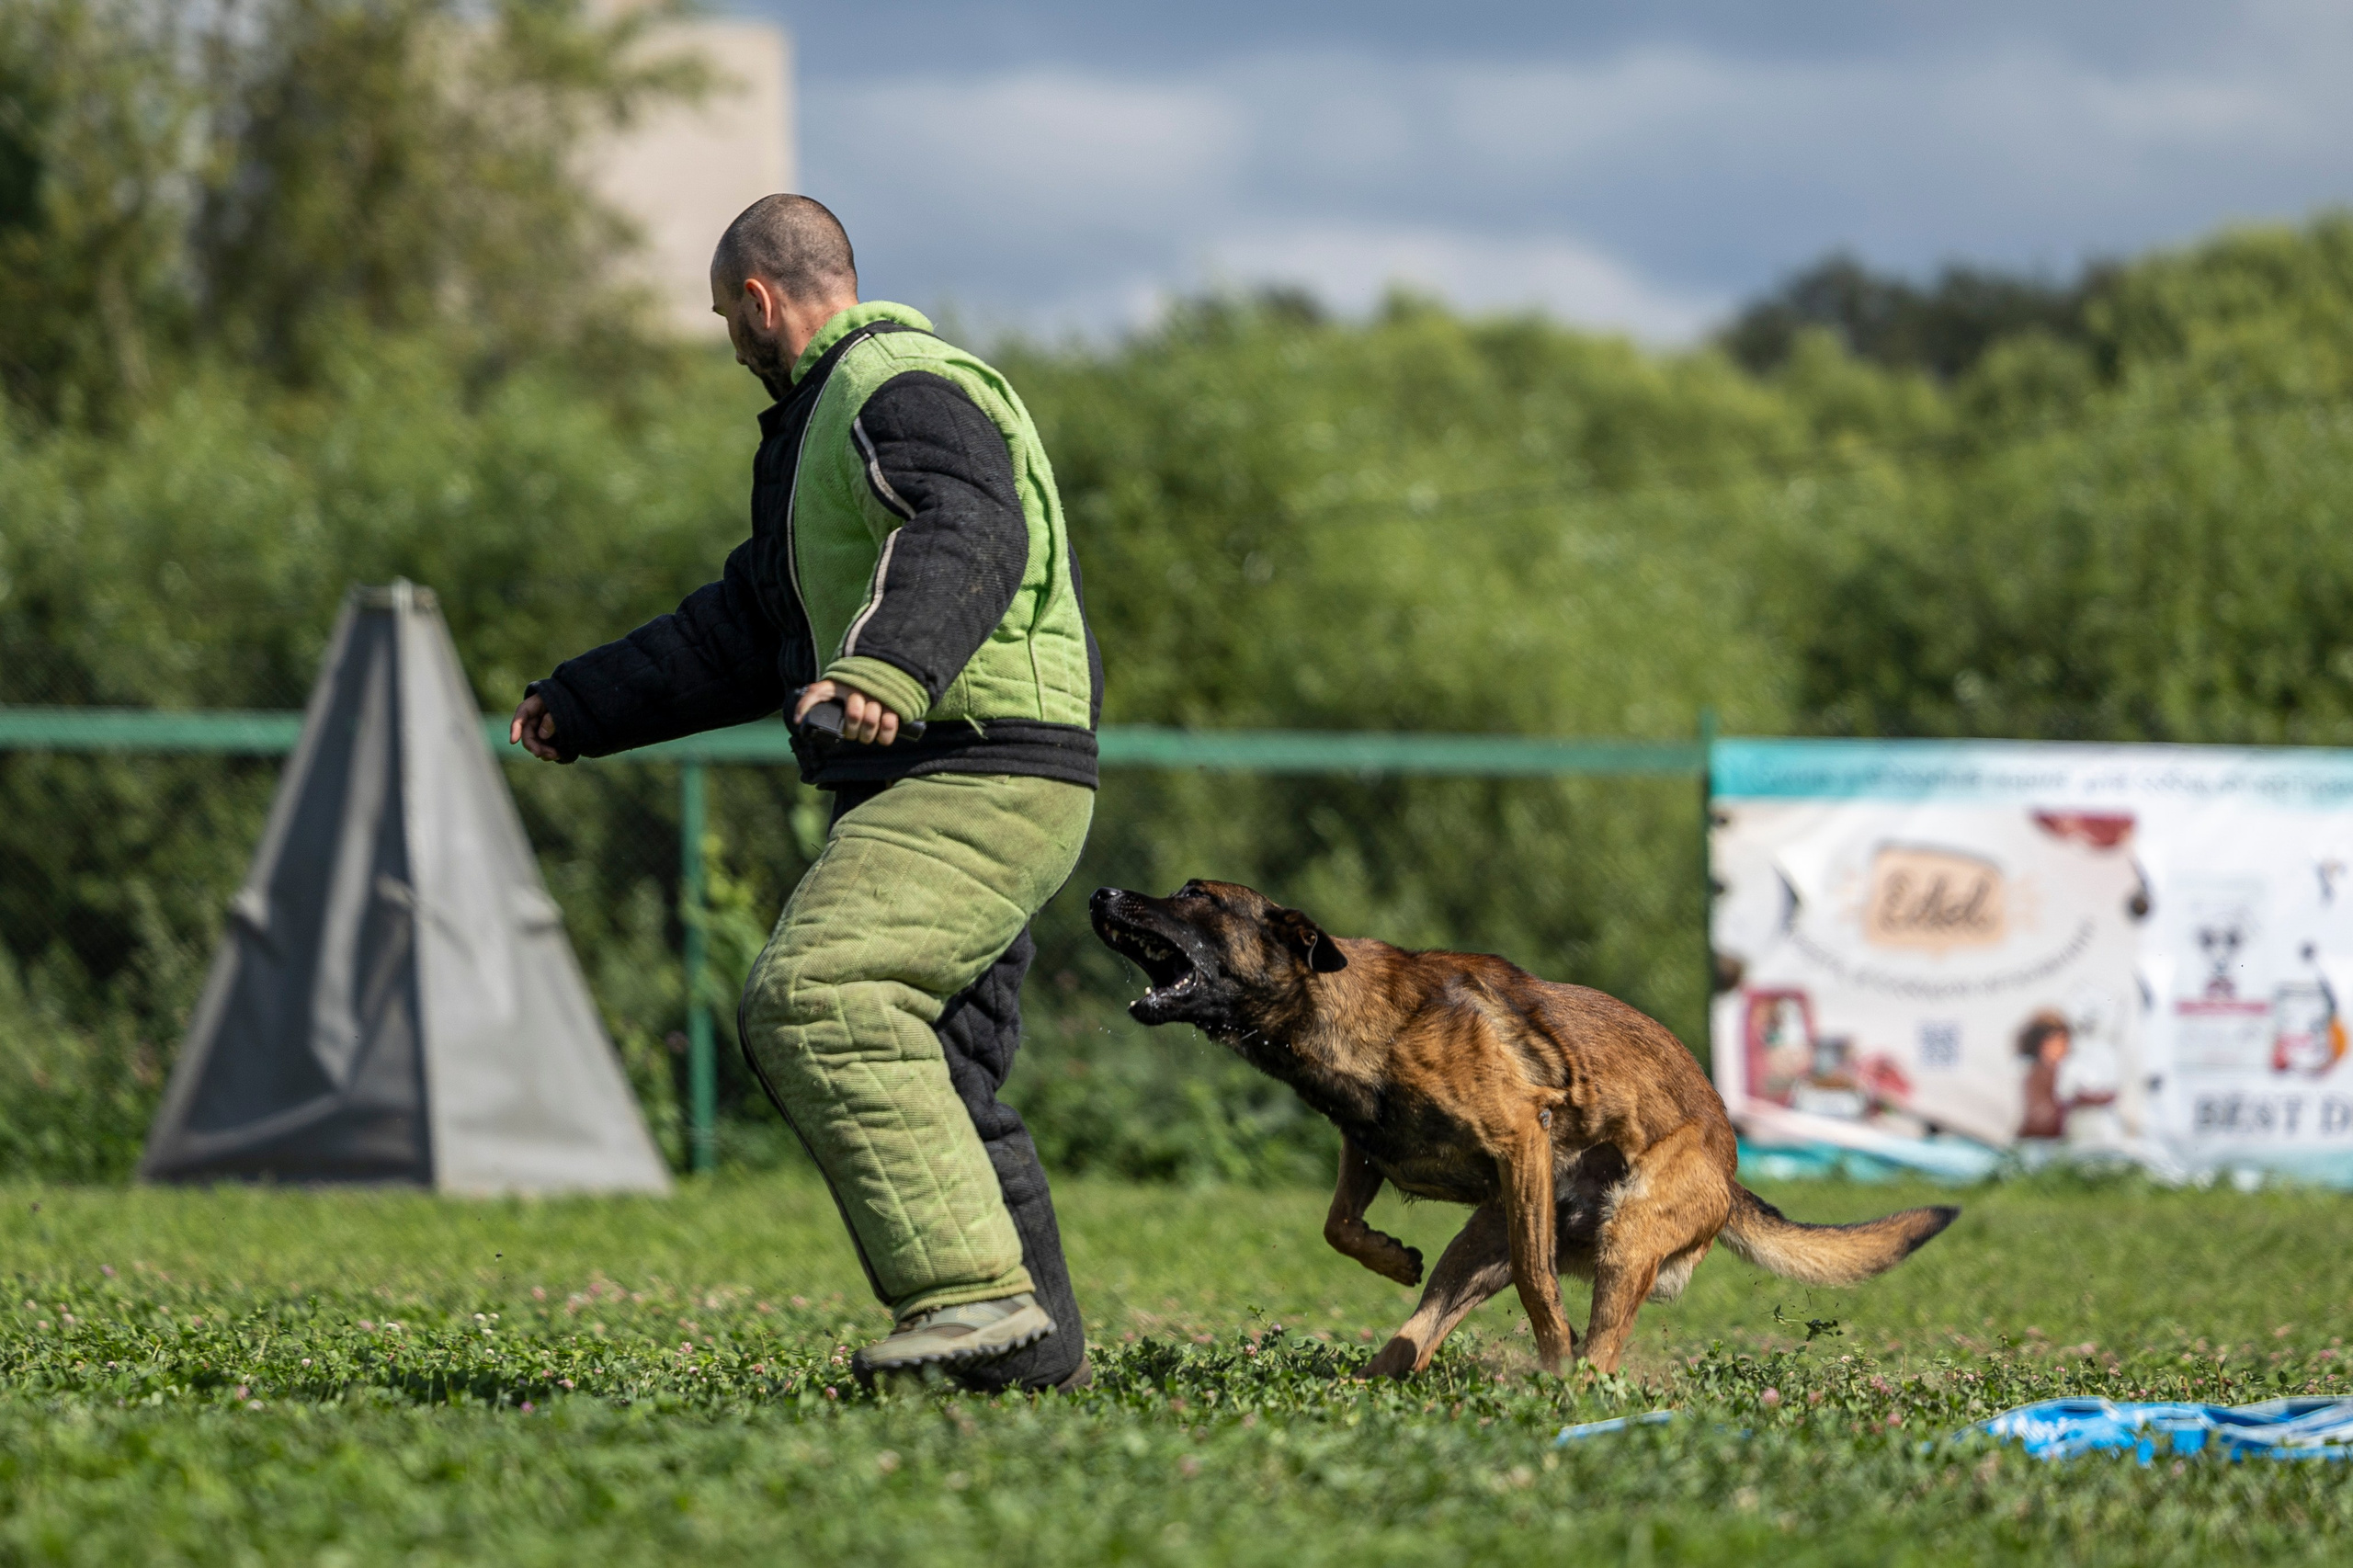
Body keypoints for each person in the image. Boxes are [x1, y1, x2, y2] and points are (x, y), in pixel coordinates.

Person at [508, 194, 1101, 1391]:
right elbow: (744, 628)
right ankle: (1025, 1365)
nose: (731, 343)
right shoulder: (821, 431)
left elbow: (969, 528)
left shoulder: (896, 383)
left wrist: (891, 664)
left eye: (727, 317)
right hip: (943, 767)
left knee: (818, 993)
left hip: (972, 762)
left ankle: (968, 1297)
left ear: (758, 300)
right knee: (936, 1068)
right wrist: (586, 702)